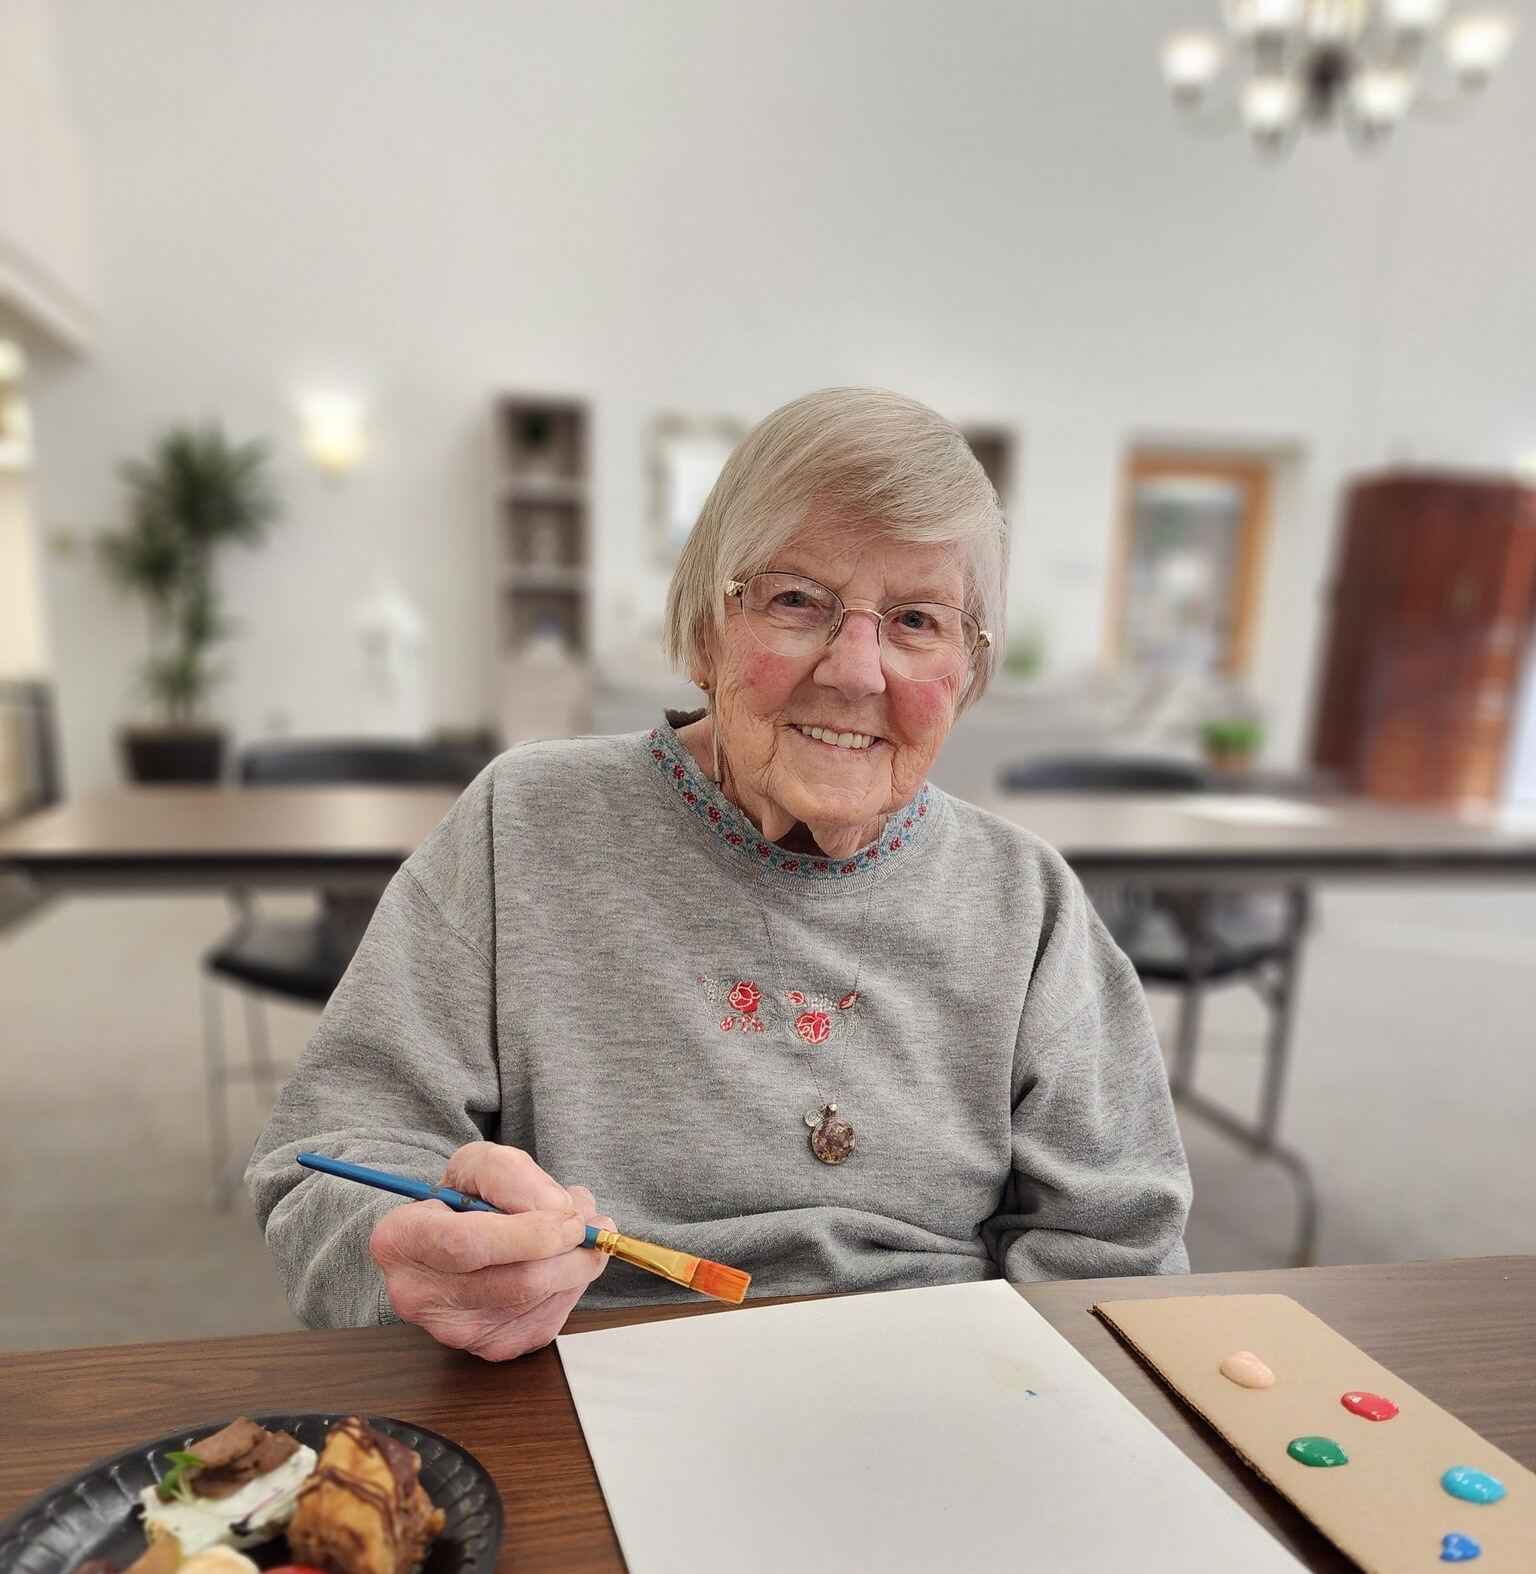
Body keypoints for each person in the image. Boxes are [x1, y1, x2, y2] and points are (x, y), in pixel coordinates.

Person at [249, 387, 1191, 1360]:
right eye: (796, 600)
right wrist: (418, 1264)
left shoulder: (1023, 900)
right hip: (581, 1375)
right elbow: (329, 1163)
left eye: (916, 619)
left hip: (932, 1385)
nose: (857, 670)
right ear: (705, 629)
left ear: (968, 669)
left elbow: (1119, 1246)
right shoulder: (526, 823)